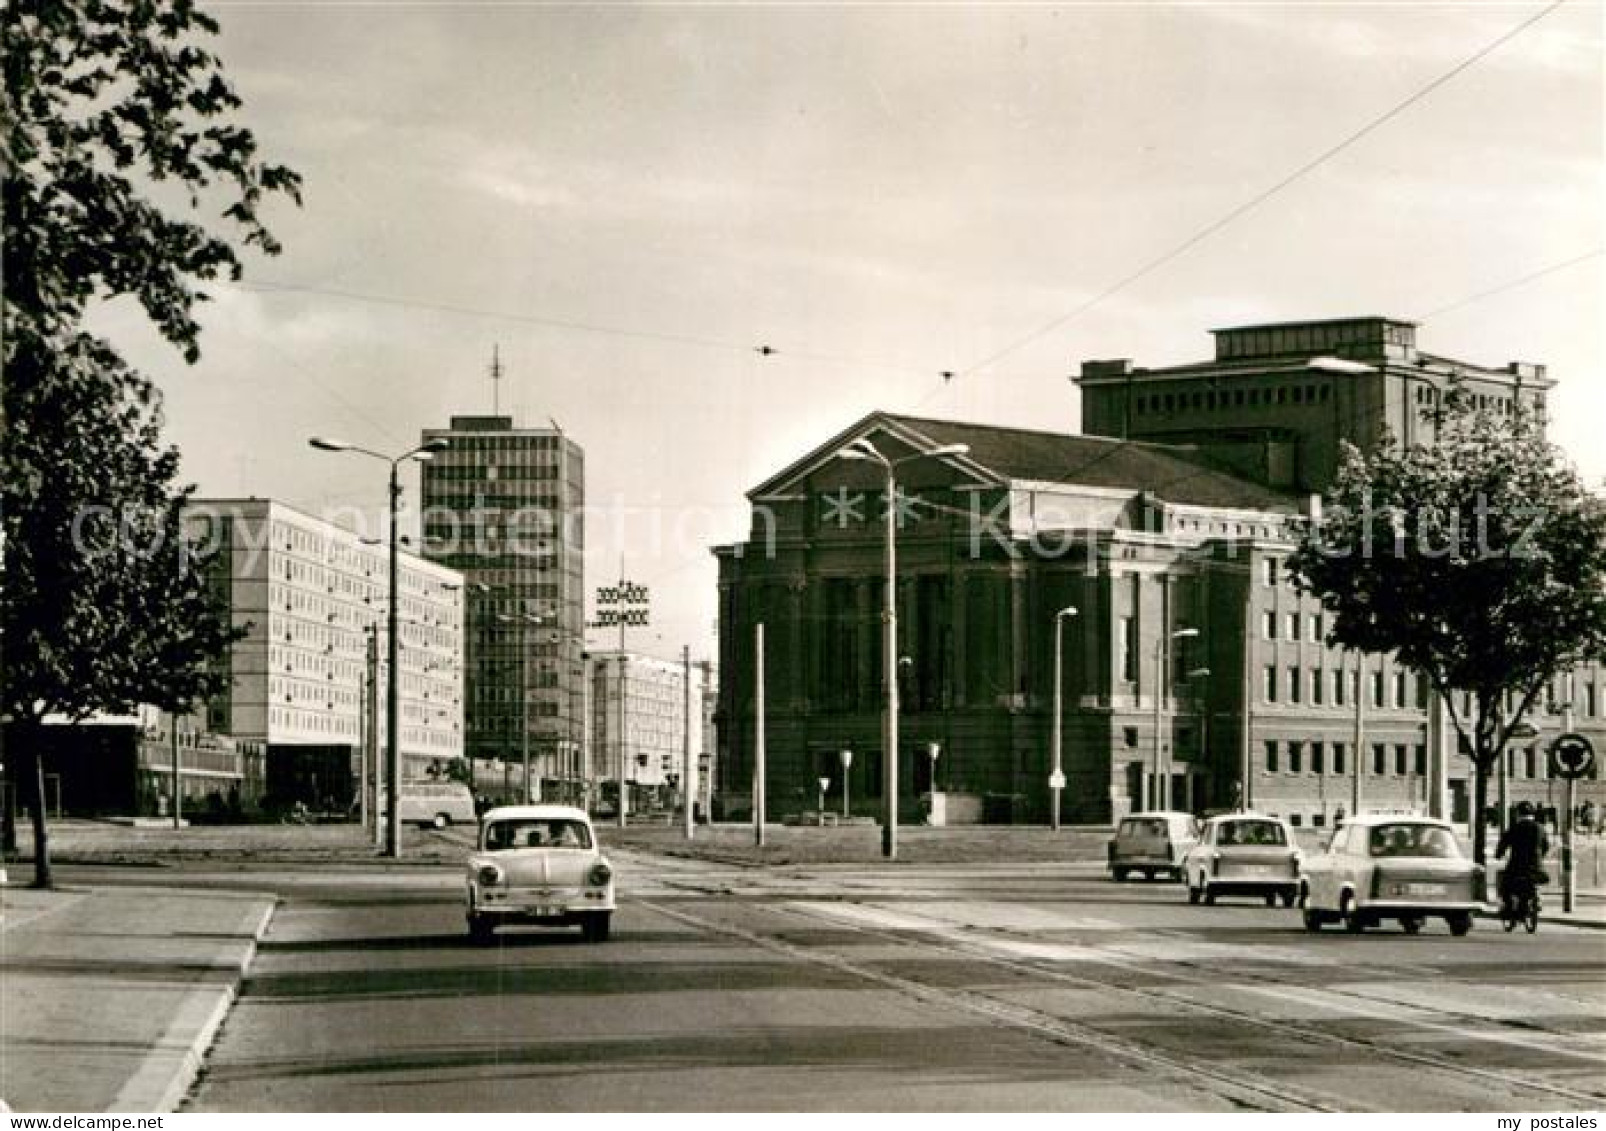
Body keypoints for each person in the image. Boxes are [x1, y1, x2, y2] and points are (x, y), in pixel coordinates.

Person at [1496, 800, 1550, 913]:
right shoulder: (1540, 828)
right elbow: (1546, 846)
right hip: (1536, 867)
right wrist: (1540, 856)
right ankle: (1537, 899)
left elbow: (1503, 844)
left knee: (1503, 880)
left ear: (1518, 814)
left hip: (1517, 867)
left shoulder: (1514, 828)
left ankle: (1507, 904)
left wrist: (1498, 855)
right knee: (1536, 882)